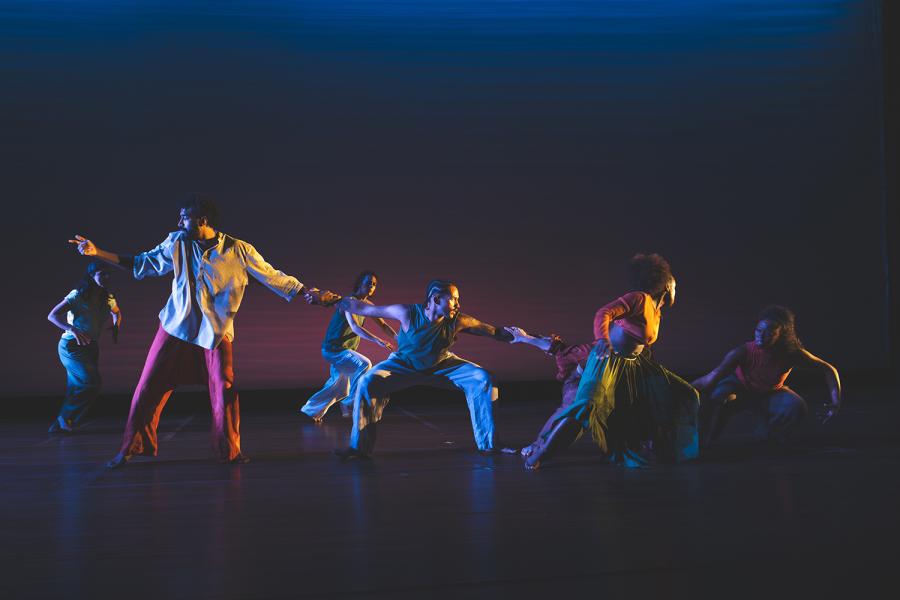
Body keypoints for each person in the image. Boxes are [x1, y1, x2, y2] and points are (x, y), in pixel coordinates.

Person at [69, 194, 337, 467]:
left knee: (224, 388)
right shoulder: (177, 242)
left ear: (202, 220)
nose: (179, 222)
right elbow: (142, 263)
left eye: (184, 217)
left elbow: (273, 276)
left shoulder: (238, 250)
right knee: (148, 387)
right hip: (176, 327)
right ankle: (130, 447)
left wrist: (308, 292)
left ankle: (230, 450)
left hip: (215, 332)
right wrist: (98, 252)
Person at [510, 254, 699, 469]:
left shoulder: (657, 312)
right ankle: (539, 454)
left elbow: (641, 342)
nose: (676, 289)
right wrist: (603, 340)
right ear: (666, 285)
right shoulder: (640, 298)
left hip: (630, 366)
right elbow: (604, 313)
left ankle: (670, 446)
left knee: (684, 394)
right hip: (607, 361)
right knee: (585, 407)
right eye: (675, 285)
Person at [334, 280, 514, 457]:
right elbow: (364, 309)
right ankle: (359, 448)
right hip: (403, 365)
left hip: (441, 366)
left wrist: (529, 338)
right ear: (436, 300)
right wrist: (331, 299)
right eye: (453, 299)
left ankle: (490, 444)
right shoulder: (407, 312)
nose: (458, 305)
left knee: (483, 378)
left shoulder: (458, 320)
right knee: (368, 381)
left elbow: (494, 332)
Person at [692, 305, 841, 449]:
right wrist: (682, 390)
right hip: (739, 389)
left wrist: (836, 402)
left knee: (796, 406)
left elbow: (828, 369)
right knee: (717, 395)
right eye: (759, 330)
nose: (761, 336)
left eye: (769, 332)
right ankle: (705, 440)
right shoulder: (742, 352)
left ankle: (768, 436)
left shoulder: (792, 354)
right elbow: (710, 379)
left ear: (781, 335)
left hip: (770, 393)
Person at [300, 270, 396, 422]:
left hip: (345, 350)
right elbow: (355, 327)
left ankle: (311, 411)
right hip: (334, 349)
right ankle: (350, 403)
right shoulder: (348, 302)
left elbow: (383, 325)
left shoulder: (368, 305)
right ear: (360, 284)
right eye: (368, 283)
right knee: (365, 364)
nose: (371, 286)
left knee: (340, 387)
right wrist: (378, 340)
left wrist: (400, 338)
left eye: (374, 284)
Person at [46, 260, 123, 433]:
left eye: (108, 273)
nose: (106, 277)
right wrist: (72, 329)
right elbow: (52, 315)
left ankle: (61, 425)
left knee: (77, 387)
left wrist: (116, 324)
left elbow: (116, 312)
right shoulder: (77, 295)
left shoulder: (108, 298)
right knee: (91, 383)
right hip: (71, 347)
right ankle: (65, 418)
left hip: (91, 347)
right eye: (102, 273)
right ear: (91, 275)